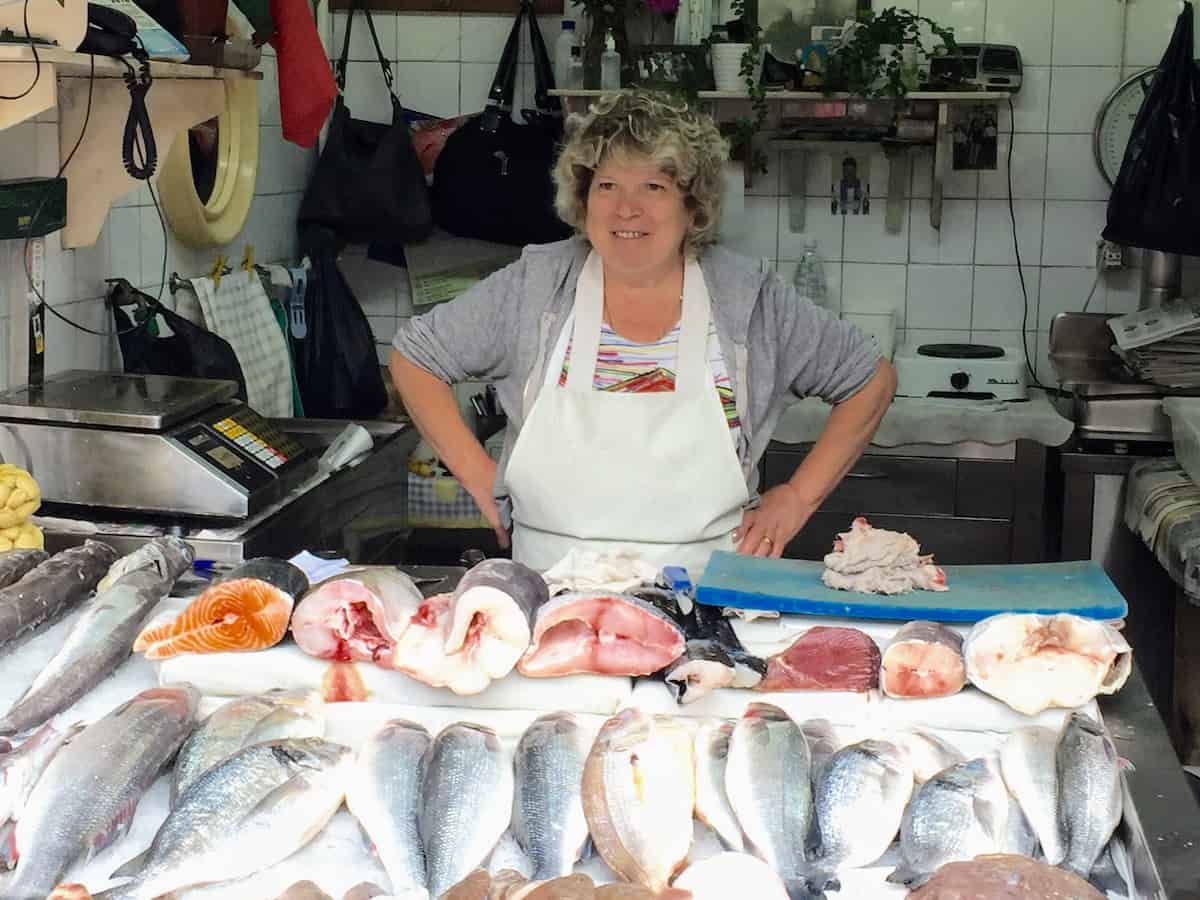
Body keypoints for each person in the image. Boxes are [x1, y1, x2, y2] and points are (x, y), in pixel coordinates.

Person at [391, 90, 896, 576]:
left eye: (653, 186)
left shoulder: (748, 298)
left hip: (710, 601)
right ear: (583, 198)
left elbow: (869, 380)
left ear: (692, 205)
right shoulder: (538, 285)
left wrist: (798, 496)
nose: (626, 209)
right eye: (607, 185)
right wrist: (480, 477)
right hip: (551, 601)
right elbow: (415, 357)